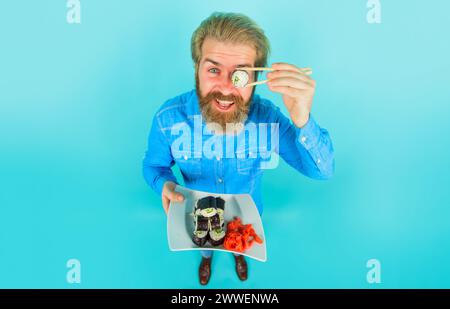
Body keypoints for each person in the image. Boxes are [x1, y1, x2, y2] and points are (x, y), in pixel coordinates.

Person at [142, 12, 335, 285]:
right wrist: (165, 184)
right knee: (205, 247)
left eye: (240, 75)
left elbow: (323, 171)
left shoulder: (268, 118)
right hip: (199, 217)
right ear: (197, 68)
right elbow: (153, 166)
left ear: (255, 77)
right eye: (213, 69)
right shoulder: (168, 118)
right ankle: (206, 259)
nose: (225, 87)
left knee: (240, 244)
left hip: (246, 219)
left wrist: (302, 118)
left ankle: (238, 256)